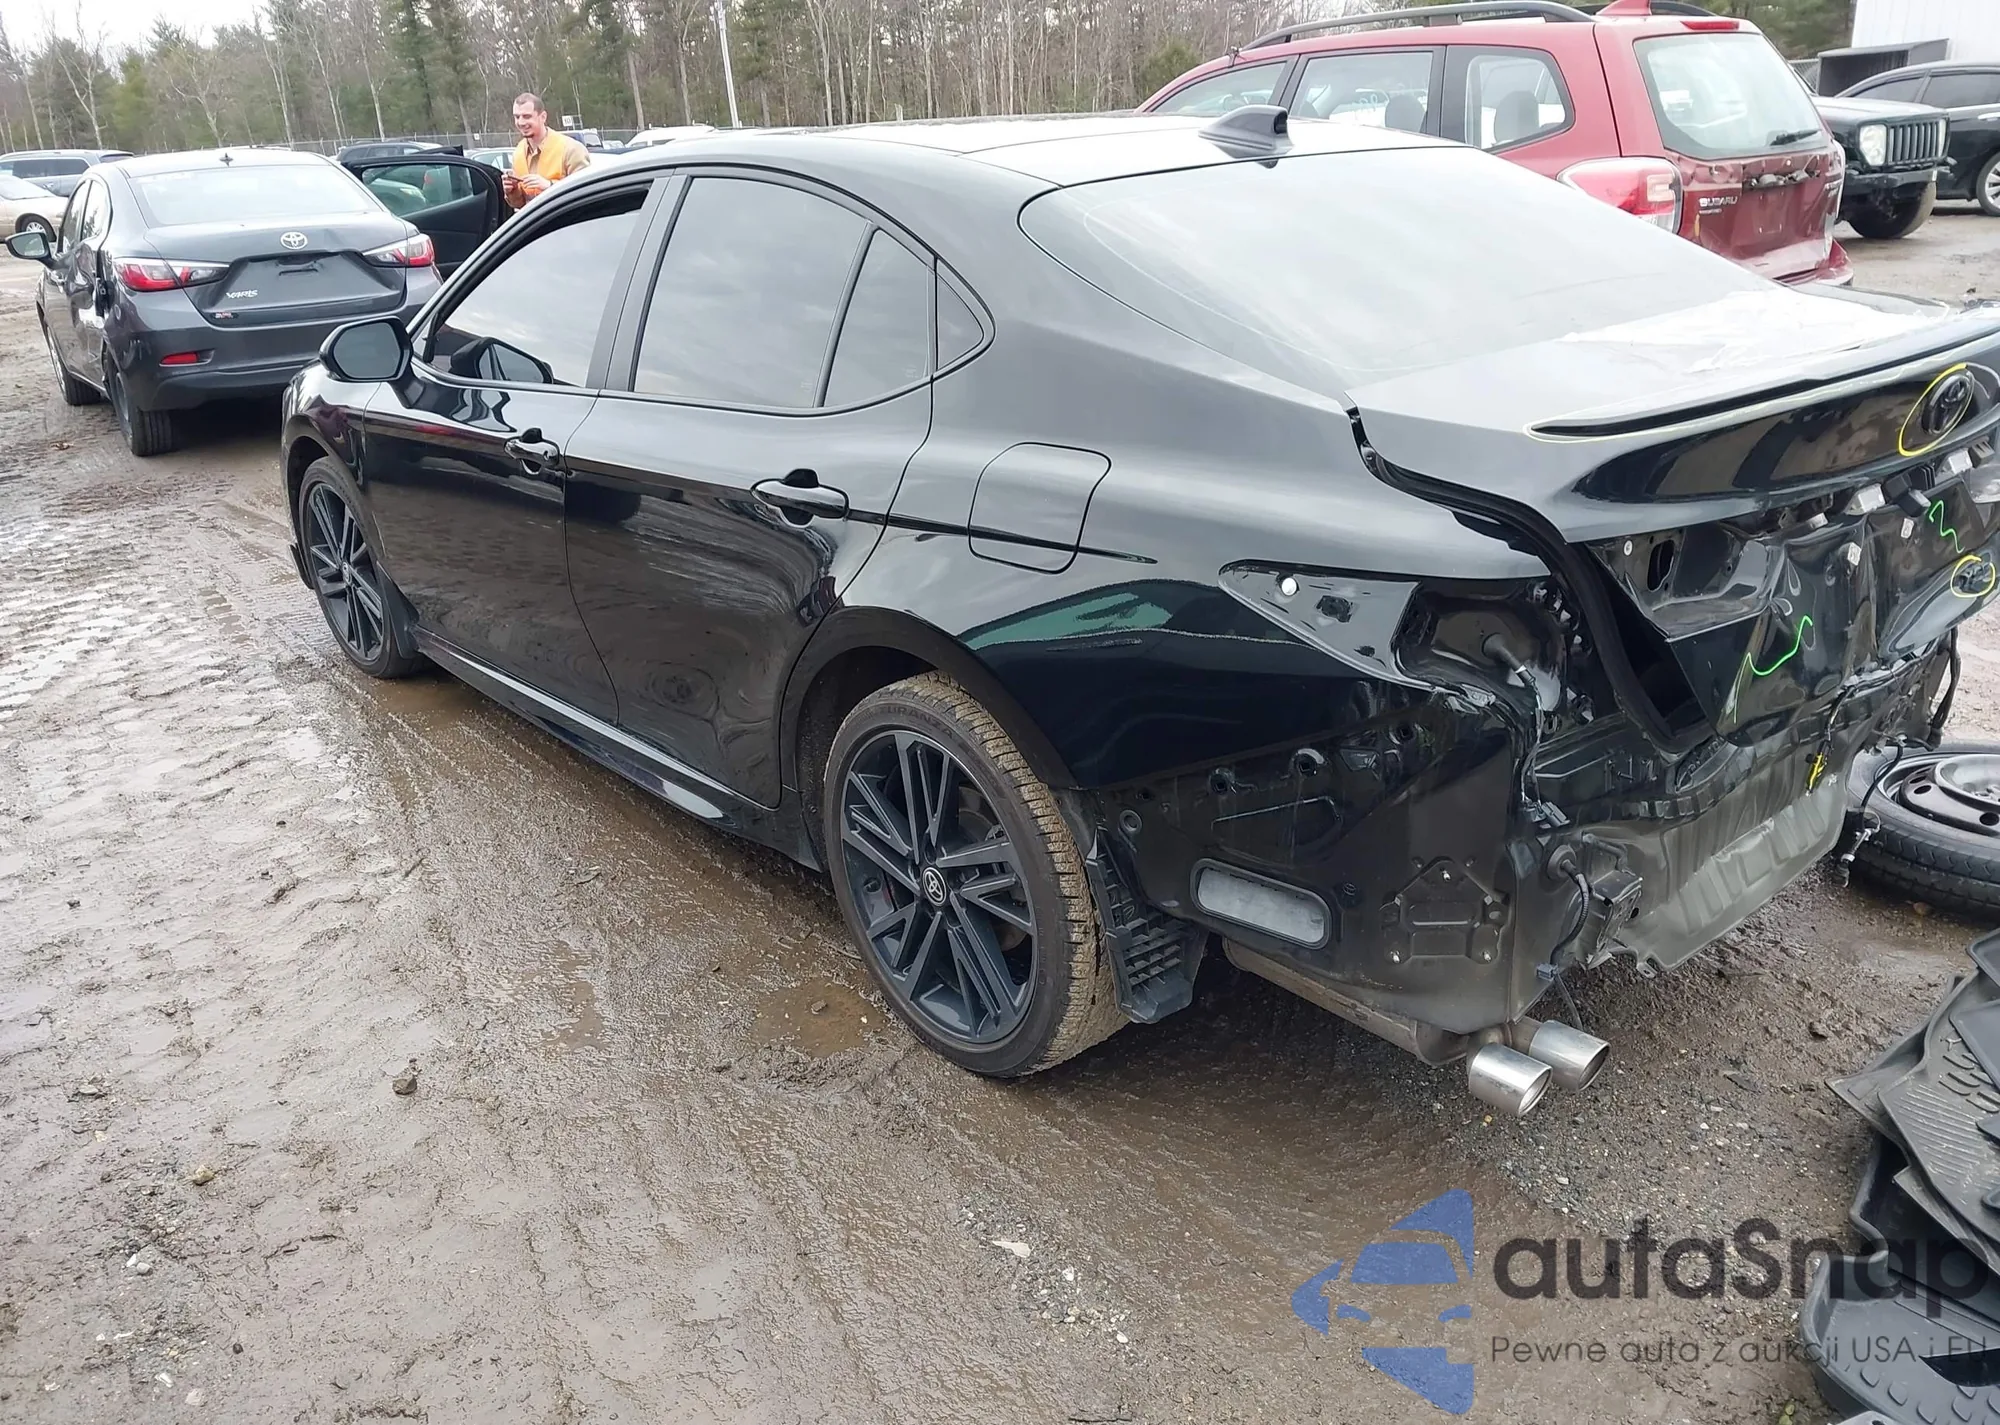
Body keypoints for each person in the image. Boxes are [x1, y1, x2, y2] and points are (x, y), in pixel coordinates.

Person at [503, 92, 589, 210]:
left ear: (543, 117)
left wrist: (549, 186)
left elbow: (585, 193)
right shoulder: (518, 152)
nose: (521, 122)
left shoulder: (571, 149)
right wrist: (512, 191)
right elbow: (520, 204)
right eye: (517, 117)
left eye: (527, 116)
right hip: (536, 220)